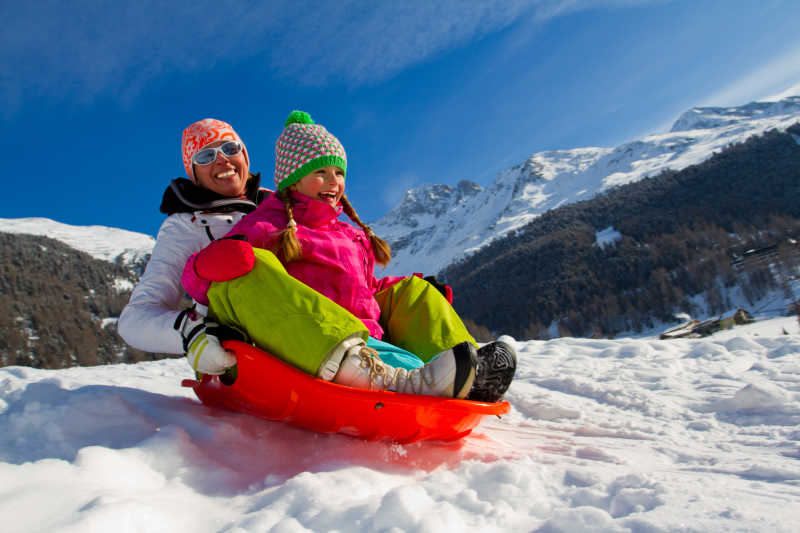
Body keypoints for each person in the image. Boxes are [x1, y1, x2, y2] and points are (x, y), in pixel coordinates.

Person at [182, 111, 516, 402]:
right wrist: (205, 265)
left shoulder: (349, 234)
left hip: (369, 342)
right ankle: (395, 379)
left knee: (416, 292)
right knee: (254, 266)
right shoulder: (267, 225)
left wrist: (413, 289)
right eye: (320, 173)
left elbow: (365, 288)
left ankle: (468, 371)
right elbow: (210, 287)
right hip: (306, 346)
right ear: (293, 180)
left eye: (338, 173)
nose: (333, 183)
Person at [118, 119, 269, 376]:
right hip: (239, 359)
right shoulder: (186, 224)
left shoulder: (278, 206)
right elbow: (135, 320)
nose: (222, 160)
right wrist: (193, 333)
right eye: (206, 155)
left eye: (230, 149)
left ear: (245, 156)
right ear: (194, 173)